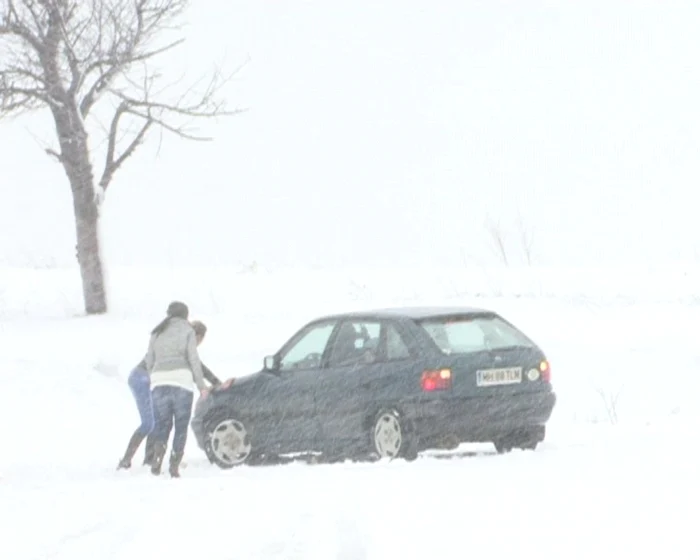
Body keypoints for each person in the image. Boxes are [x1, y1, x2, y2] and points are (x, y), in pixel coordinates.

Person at [140, 319, 221, 467]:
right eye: (200, 340)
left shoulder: (174, 337)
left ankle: (152, 458)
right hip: (152, 379)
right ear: (198, 336)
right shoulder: (185, 341)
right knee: (166, 423)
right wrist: (214, 382)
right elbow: (199, 367)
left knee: (160, 421)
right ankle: (157, 459)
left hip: (156, 380)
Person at [146, 301, 208, 477]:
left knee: (163, 425)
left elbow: (149, 360)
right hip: (182, 383)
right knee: (181, 426)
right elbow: (194, 360)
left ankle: (157, 458)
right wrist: (201, 386)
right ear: (185, 315)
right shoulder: (188, 331)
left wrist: (156, 377)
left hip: (159, 383)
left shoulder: (156, 333)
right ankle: (174, 464)